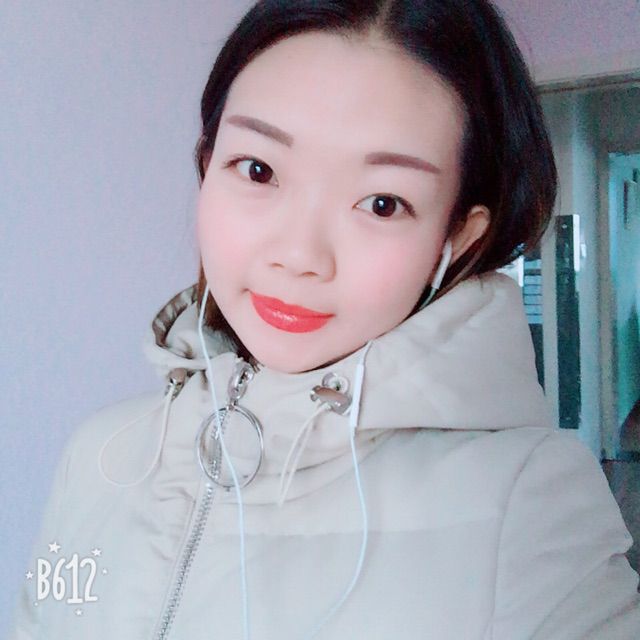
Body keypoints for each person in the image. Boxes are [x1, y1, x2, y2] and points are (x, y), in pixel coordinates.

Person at [10, 0, 640, 638]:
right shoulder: (98, 456)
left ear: (457, 239)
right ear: (207, 164)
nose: (299, 255)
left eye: (382, 203)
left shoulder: (530, 505)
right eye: (258, 170)